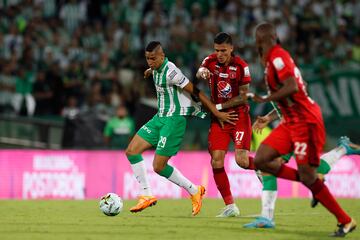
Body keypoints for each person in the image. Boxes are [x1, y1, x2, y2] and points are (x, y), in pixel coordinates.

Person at [248, 22, 356, 237]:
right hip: (290, 121)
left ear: (265, 41)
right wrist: (270, 115)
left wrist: (264, 99)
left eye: (261, 41)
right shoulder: (270, 62)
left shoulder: (278, 57)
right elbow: (290, 92)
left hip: (305, 121)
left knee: (307, 175)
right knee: (261, 161)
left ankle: (345, 220)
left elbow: (293, 87)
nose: (260, 46)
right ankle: (316, 181)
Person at [125, 41, 238, 216]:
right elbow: (153, 69)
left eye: (153, 59)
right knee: (132, 151)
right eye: (147, 59)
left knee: (158, 166)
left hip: (174, 120)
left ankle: (194, 191)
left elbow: (196, 92)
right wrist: (150, 70)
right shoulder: (156, 68)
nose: (150, 62)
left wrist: (216, 112)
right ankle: (146, 195)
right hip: (160, 117)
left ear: (162, 56)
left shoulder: (172, 72)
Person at [244, 104, 360, 228]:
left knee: (271, 165)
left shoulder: (285, 86)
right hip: (291, 126)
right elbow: (281, 102)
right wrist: (269, 117)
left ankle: (267, 217)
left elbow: (293, 91)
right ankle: (343, 149)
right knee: (276, 166)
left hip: (298, 127)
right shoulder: (278, 88)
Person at [196, 32, 256, 217]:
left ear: (231, 48)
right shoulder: (210, 60)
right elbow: (200, 72)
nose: (219, 54)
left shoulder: (241, 66)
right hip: (218, 119)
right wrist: (201, 72)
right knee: (216, 160)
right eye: (216, 50)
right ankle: (230, 205)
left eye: (223, 50)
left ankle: (262, 166)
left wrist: (217, 107)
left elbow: (244, 96)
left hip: (238, 117)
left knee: (242, 160)